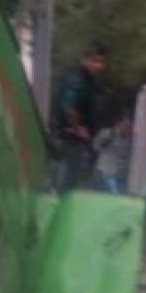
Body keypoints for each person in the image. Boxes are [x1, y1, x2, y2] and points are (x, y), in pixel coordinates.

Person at [52, 42, 108, 189]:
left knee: (77, 177)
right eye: (94, 61)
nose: (98, 66)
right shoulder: (78, 80)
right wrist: (77, 129)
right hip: (69, 139)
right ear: (84, 60)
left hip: (78, 140)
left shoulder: (90, 80)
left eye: (101, 62)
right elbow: (68, 106)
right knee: (69, 180)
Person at [93, 111, 132, 193]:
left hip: (120, 174)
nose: (127, 128)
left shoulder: (129, 140)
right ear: (118, 124)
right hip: (104, 171)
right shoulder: (107, 133)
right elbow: (96, 146)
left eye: (129, 127)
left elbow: (128, 156)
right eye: (125, 125)